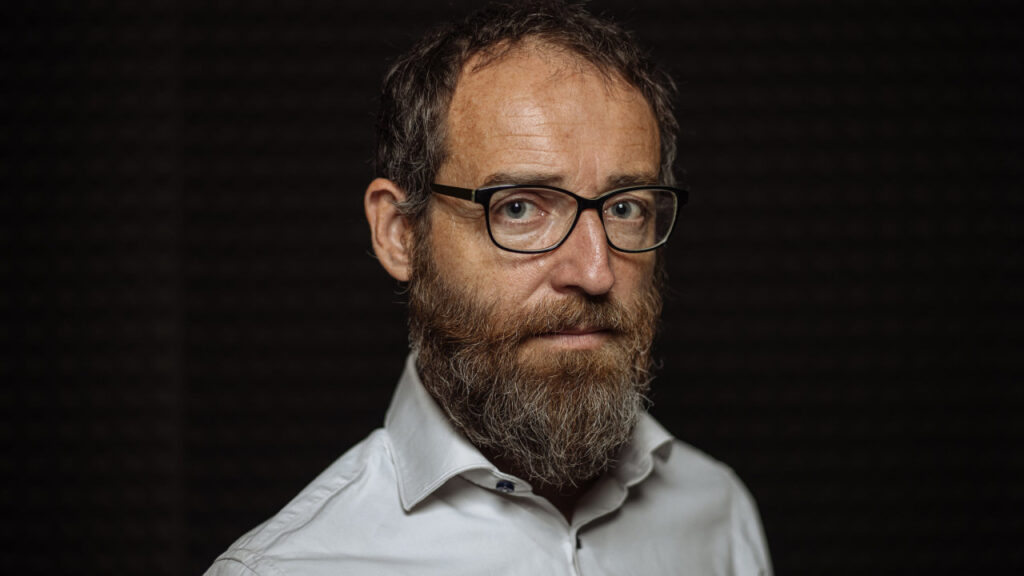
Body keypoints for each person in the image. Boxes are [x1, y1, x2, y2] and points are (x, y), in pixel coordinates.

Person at [206, 2, 772, 574]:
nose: (595, 273)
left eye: (625, 208)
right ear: (400, 234)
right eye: (519, 207)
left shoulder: (718, 513)